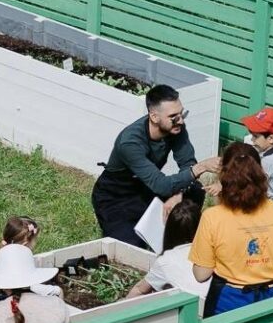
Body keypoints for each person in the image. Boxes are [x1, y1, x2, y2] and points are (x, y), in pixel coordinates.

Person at [91, 85, 220, 248]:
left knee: (194, 189)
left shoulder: (176, 127)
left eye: (182, 113)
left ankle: (181, 237)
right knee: (132, 249)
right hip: (118, 196)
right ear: (154, 117)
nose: (180, 120)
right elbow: (162, 185)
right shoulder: (130, 142)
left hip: (147, 188)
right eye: (173, 116)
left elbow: (187, 163)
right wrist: (201, 167)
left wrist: (178, 193)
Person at [189, 141, 273, 317]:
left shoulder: (213, 217)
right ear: (260, 173)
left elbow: (201, 274)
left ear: (224, 177)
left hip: (228, 303)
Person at [125, 199, 208, 313]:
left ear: (170, 230)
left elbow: (140, 290)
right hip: (212, 310)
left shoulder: (166, 260)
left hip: (190, 315)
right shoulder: (212, 250)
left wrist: (116, 311)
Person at [242, 106, 273, 199]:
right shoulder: (263, 150)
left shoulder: (269, 162)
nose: (252, 139)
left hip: (262, 204)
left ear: (271, 138)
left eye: (255, 136)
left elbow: (251, 185)